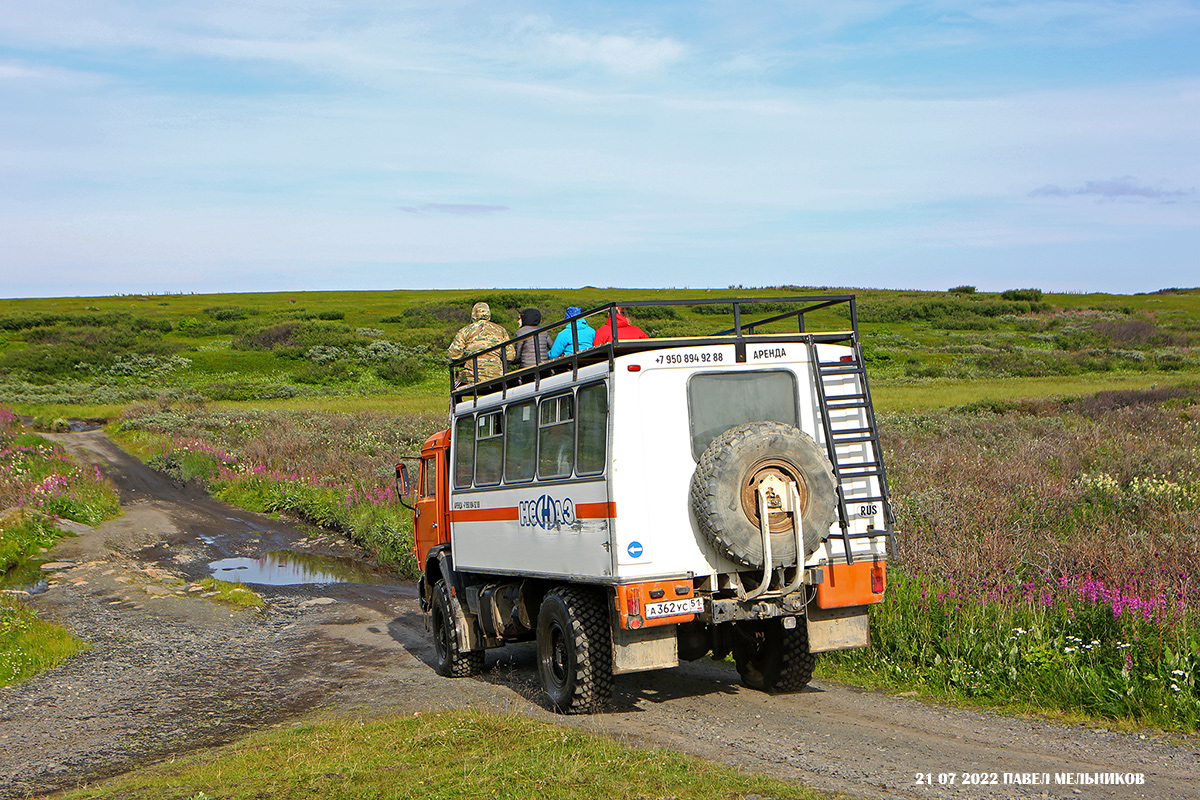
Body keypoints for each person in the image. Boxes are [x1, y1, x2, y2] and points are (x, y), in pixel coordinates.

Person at [447, 302, 514, 384]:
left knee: (456, 385)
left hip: (473, 376)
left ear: (474, 314)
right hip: (497, 375)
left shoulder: (465, 331)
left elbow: (453, 355)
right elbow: (510, 356)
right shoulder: (501, 330)